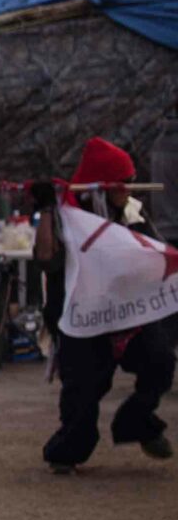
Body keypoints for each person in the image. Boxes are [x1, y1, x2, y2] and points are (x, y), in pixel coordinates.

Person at [36, 138, 173, 470]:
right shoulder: (67, 216)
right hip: (82, 317)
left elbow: (154, 253)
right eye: (122, 182)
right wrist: (45, 209)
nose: (128, 188)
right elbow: (46, 259)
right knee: (82, 390)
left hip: (129, 314)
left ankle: (137, 421)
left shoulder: (133, 212)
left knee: (160, 362)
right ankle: (68, 451)